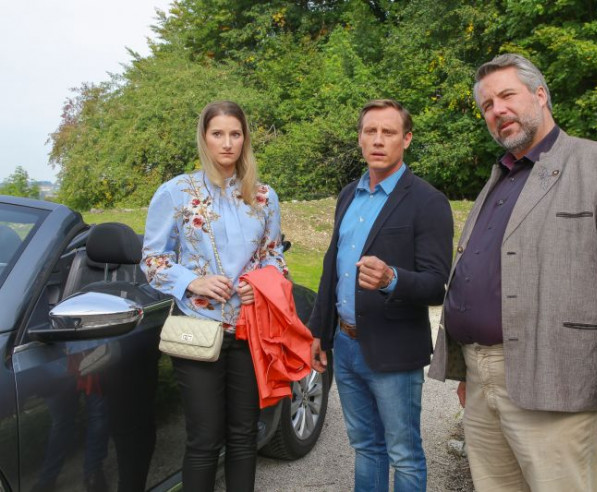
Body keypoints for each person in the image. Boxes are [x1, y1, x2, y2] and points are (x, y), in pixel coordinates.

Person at [428, 53, 597, 491]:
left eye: (507, 96)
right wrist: (469, 372)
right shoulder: (501, 175)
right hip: (482, 379)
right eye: (487, 105)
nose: (497, 110)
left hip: (557, 380)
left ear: (540, 95)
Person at [141, 100, 287, 492]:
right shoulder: (176, 193)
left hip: (248, 330)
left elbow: (274, 256)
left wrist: (260, 283)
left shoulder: (263, 196)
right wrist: (193, 281)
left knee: (244, 435)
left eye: (235, 134)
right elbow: (152, 260)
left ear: (245, 139)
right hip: (198, 329)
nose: (227, 143)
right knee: (204, 440)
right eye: (217, 134)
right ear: (204, 138)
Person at [309, 99, 453, 491]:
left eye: (388, 132)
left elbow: (437, 286)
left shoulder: (428, 201)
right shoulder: (348, 195)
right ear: (359, 138)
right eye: (370, 131)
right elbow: (332, 268)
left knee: (404, 454)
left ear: (406, 139)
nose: (377, 140)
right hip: (346, 344)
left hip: (394, 350)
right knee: (366, 448)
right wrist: (319, 331)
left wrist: (391, 278)